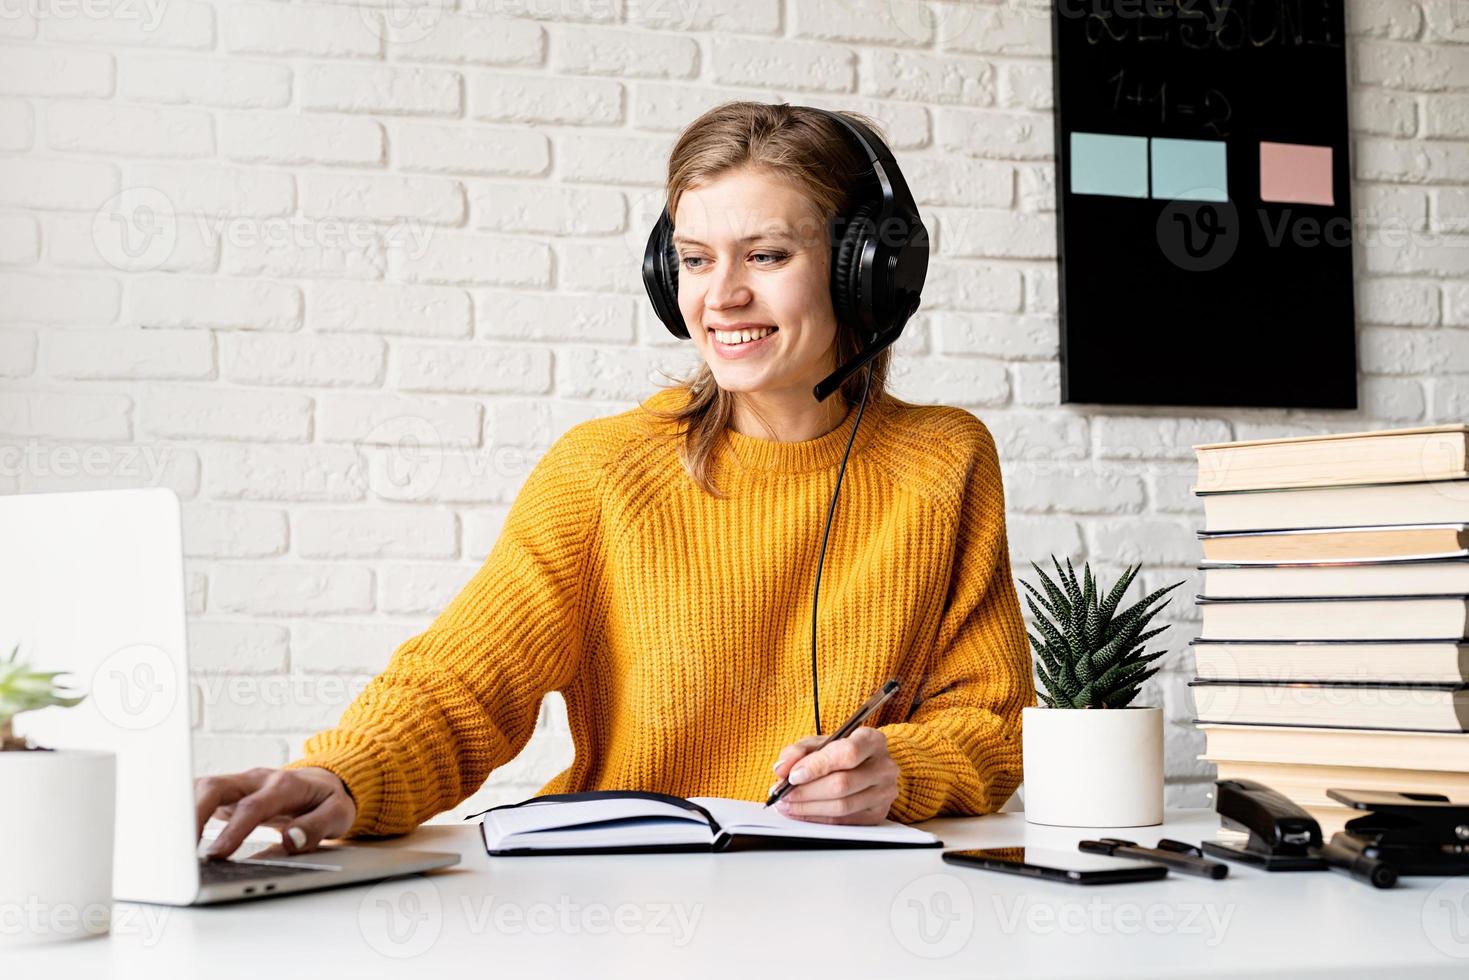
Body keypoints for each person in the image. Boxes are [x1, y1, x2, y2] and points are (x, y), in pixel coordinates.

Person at [195, 102, 1035, 860]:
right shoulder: (603, 470)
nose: (722, 296)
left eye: (767, 254)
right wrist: (342, 777)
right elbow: (460, 685)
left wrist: (896, 771)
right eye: (696, 260)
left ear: (866, 270)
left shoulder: (943, 460)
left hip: (854, 911)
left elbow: (991, 726)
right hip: (625, 900)